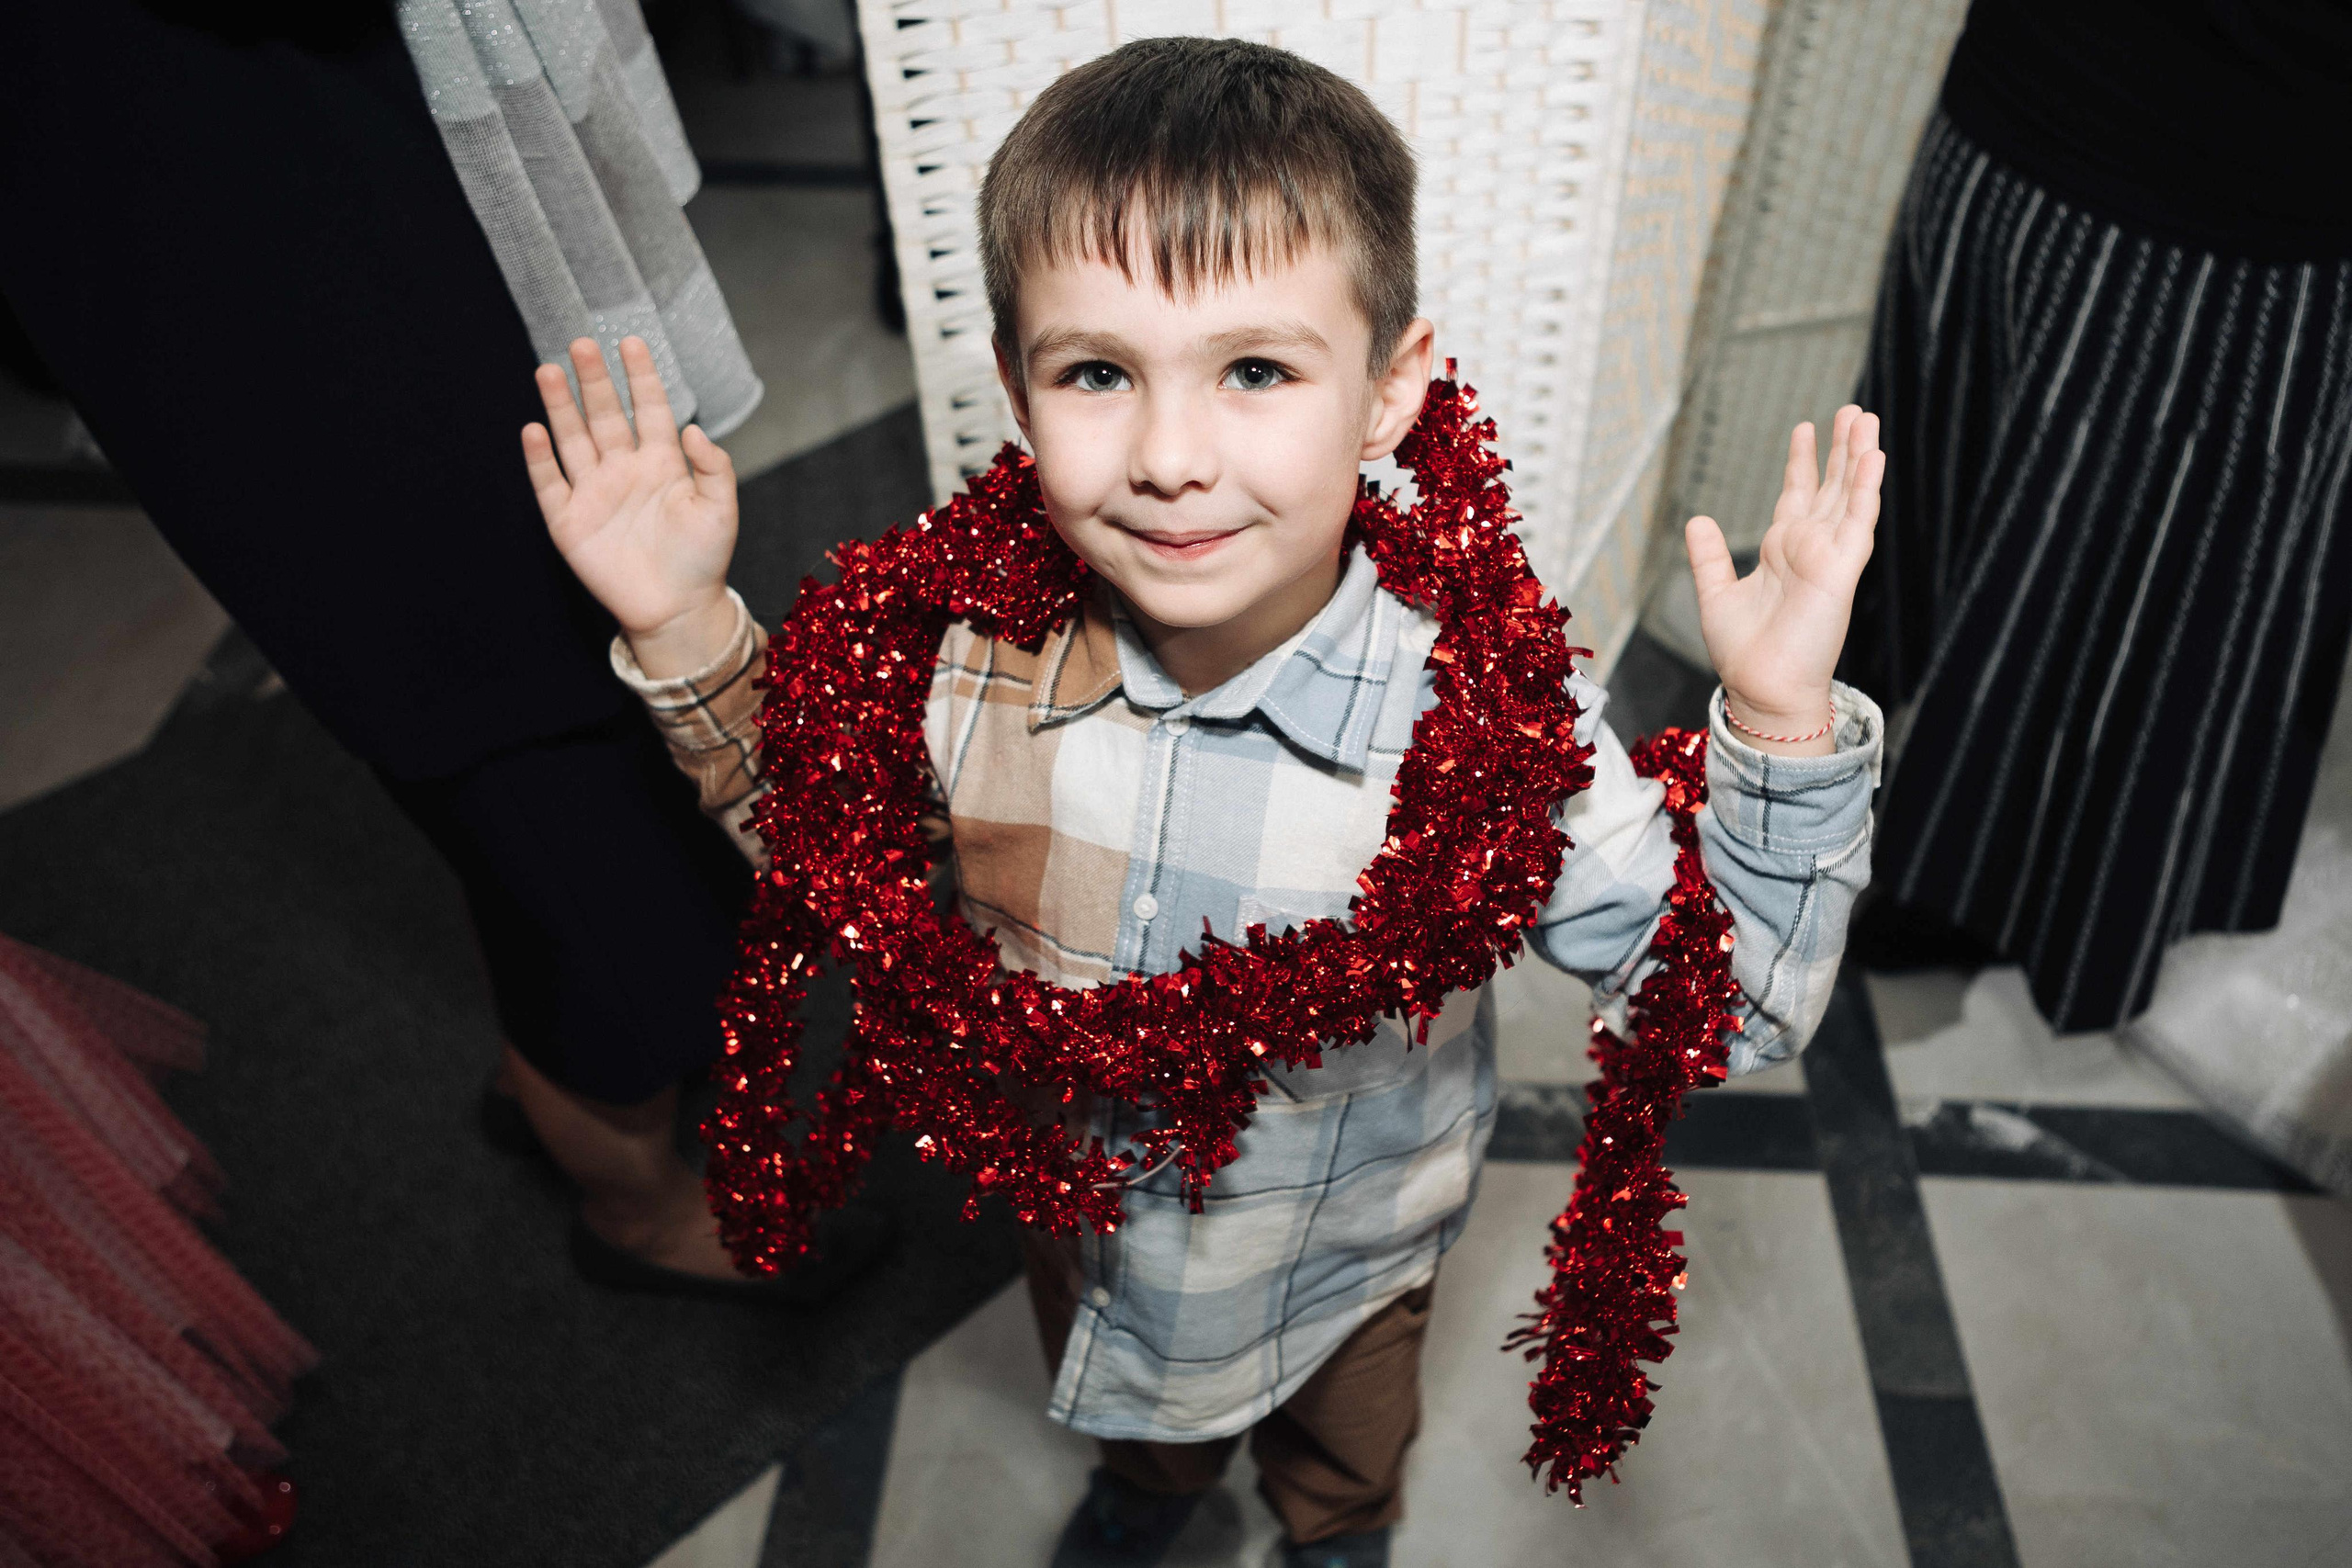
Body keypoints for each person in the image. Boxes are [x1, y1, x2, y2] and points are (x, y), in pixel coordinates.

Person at [516, 39, 1887, 1567]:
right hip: (1083, 1233)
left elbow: (1726, 1007)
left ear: (1390, 391)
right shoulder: (976, 660)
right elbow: (835, 858)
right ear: (1019, 394)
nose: (1170, 458)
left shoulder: (1490, 725)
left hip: (1343, 1263)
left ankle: (1334, 1531)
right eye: (1099, 372)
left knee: (1340, 1466)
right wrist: (684, 624)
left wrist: (1774, 722)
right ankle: (1146, 1497)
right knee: (1134, 1429)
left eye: (1255, 370)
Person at [0, 0, 873, 1298]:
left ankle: (587, 1037)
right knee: (539, 757)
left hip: (300, 200)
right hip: (266, 251)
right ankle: (625, 1192)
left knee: (547, 726)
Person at [1841, 0, 2352, 1030]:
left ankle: (1984, 878)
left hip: (2236, 195)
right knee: (1930, 515)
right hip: (2030, 110)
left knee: (2125, 597)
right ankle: (1890, 819)